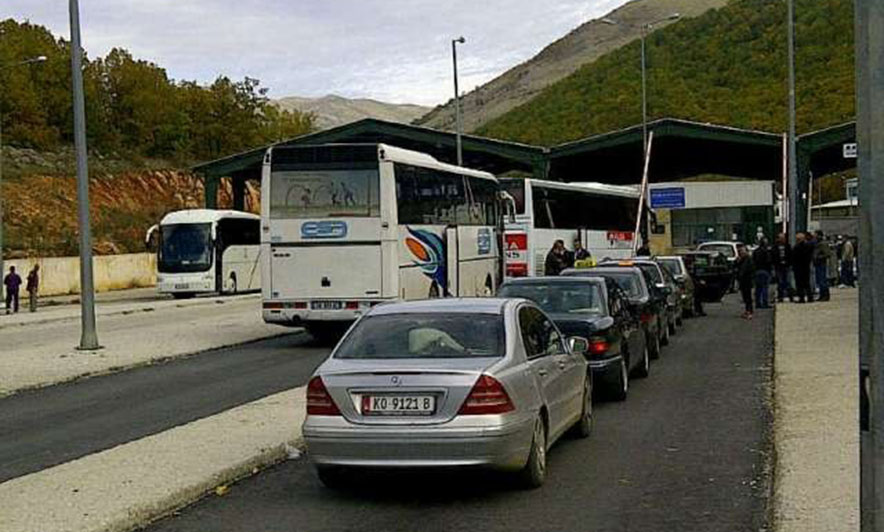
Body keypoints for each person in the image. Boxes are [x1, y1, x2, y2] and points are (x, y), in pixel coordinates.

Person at [792, 232, 814, 303]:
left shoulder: (797, 247)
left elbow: (794, 257)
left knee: (799, 284)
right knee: (807, 283)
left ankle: (801, 298)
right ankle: (810, 297)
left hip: (798, 267)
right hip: (806, 266)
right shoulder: (808, 246)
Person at [771, 233, 793, 303]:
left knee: (788, 282)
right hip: (778, 267)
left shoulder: (788, 246)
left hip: (786, 266)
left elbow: (790, 255)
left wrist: (789, 263)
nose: (782, 239)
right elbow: (773, 256)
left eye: (783, 238)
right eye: (781, 238)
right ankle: (780, 297)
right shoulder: (775, 247)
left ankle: (790, 296)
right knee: (780, 282)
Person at [752, 237, 773, 309]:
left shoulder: (755, 251)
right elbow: (769, 261)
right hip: (765, 270)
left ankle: (758, 303)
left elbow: (753, 261)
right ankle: (765, 303)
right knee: (764, 288)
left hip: (757, 270)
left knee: (758, 288)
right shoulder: (766, 252)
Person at [736, 245, 755, 319]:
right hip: (744, 281)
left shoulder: (748, 259)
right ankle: (747, 310)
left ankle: (749, 311)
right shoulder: (742, 259)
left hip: (747, 280)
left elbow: (743, 270)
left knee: (748, 297)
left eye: (742, 251)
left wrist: (740, 275)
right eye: (740, 251)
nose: (740, 253)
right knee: (745, 296)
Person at [812, 230, 832, 302]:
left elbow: (827, 254)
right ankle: (822, 295)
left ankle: (825, 295)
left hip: (821, 264)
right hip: (817, 264)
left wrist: (818, 257)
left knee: (822, 280)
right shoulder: (817, 243)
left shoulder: (822, 244)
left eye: (815, 234)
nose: (814, 236)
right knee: (819, 280)